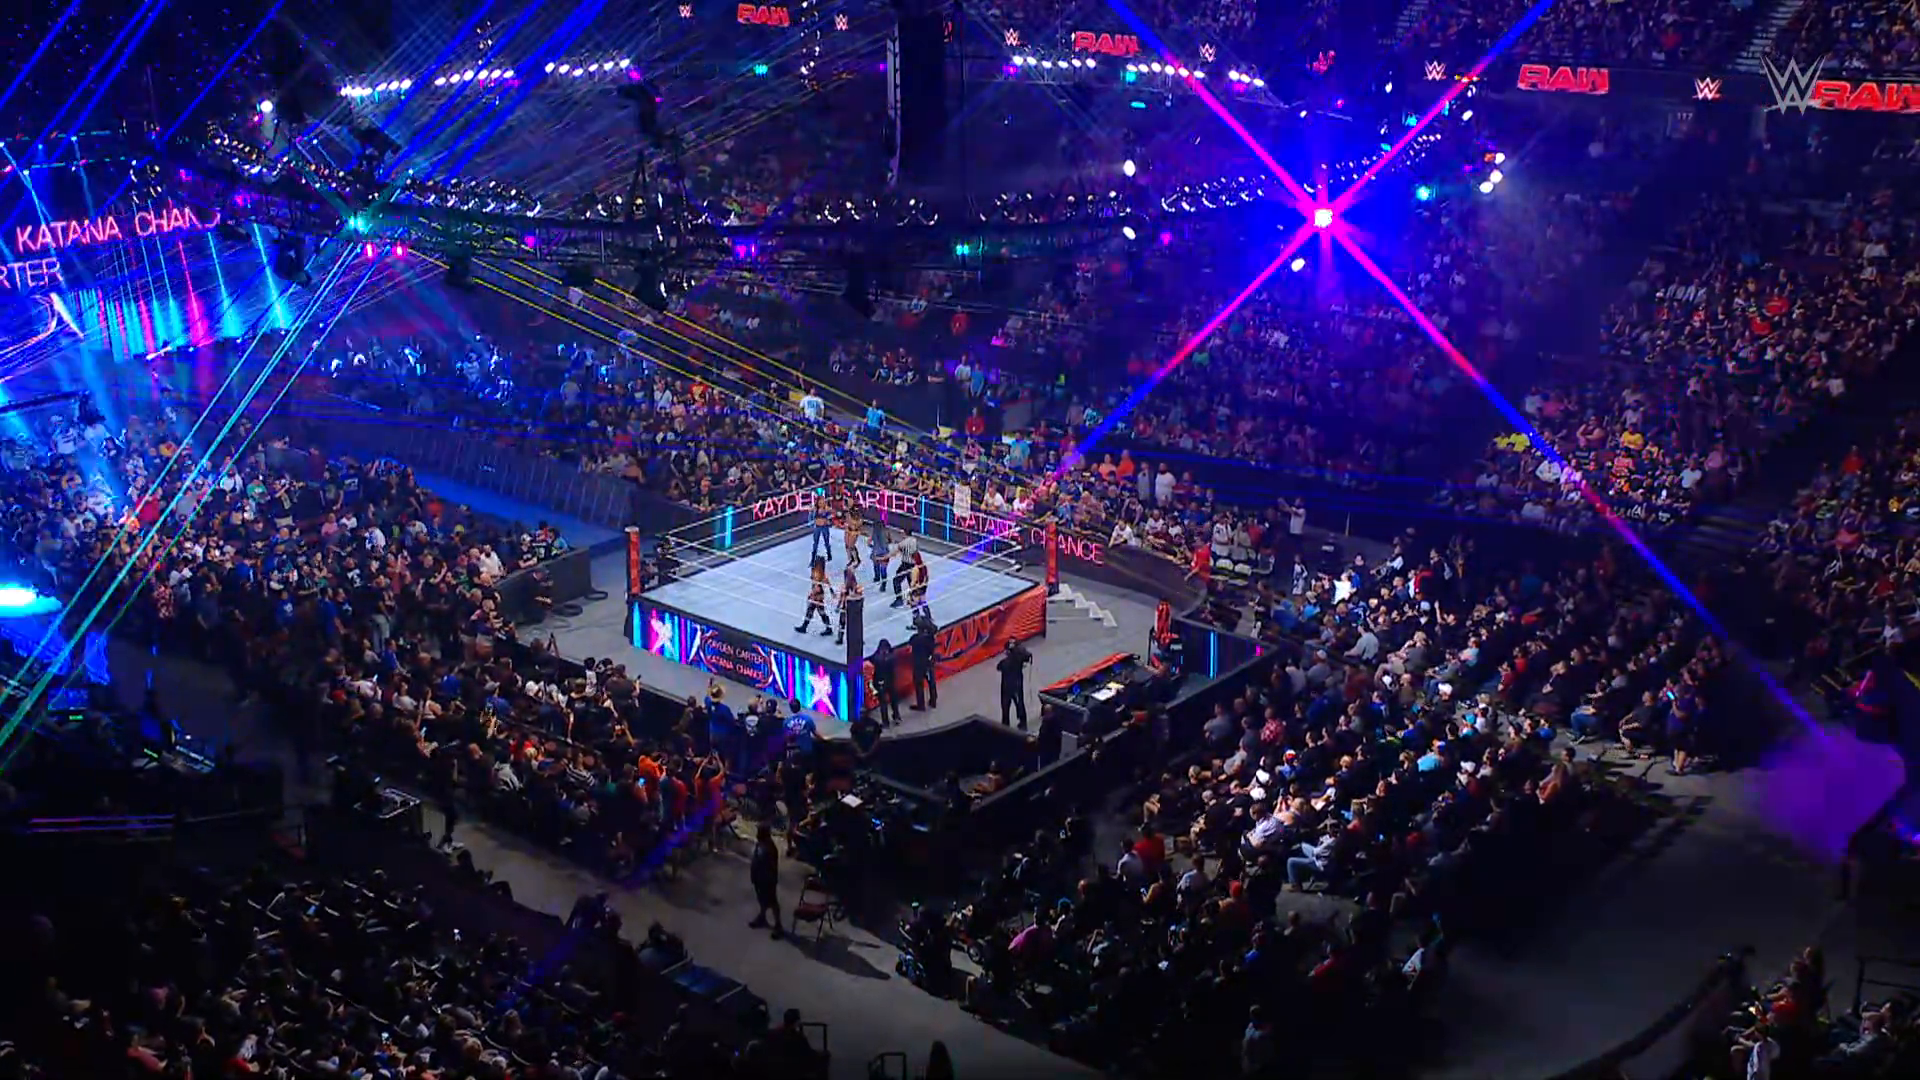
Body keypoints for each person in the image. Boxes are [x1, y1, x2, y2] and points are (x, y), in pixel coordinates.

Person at [749, 823, 785, 939]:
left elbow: (771, 867)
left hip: (767, 879)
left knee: (772, 901)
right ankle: (762, 917)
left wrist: (769, 879)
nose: (757, 834)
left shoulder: (770, 848)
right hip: (758, 878)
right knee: (761, 898)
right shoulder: (760, 844)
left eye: (759, 832)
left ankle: (778, 925)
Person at [997, 639, 1032, 730]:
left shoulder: (1005, 663)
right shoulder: (1019, 660)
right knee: (1020, 704)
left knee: (1005, 707)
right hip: (1017, 685)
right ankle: (1023, 723)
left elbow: (998, 667)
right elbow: (1027, 656)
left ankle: (1005, 725)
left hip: (1007, 688)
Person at [795, 556, 834, 637]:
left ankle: (828, 628)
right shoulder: (820, 572)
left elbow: (817, 585)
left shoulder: (817, 572)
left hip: (817, 594)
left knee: (819, 611)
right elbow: (826, 581)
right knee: (812, 610)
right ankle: (805, 627)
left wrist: (812, 594)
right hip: (817, 594)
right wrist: (831, 591)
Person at [871, 638, 902, 726]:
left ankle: (885, 722)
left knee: (883, 703)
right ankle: (896, 717)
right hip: (891, 681)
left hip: (881, 683)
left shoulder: (877, 658)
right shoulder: (892, 657)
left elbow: (873, 660)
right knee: (893, 700)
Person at [910, 616, 939, 710]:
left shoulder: (914, 639)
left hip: (919, 665)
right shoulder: (930, 638)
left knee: (919, 684)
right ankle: (933, 701)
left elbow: (911, 644)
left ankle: (921, 705)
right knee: (931, 682)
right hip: (928, 662)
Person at [836, 559, 863, 645]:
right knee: (842, 622)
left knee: (855, 624)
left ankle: (858, 638)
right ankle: (840, 638)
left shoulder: (856, 587)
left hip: (854, 606)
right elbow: (842, 596)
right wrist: (838, 606)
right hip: (846, 606)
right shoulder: (845, 587)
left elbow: (860, 597)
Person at [890, 525, 919, 605]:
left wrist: (884, 557)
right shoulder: (914, 540)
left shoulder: (903, 543)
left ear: (905, 533)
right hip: (913, 564)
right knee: (911, 582)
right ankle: (913, 599)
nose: (900, 534)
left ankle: (899, 600)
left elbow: (894, 552)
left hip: (906, 564)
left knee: (896, 580)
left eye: (902, 532)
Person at [907, 552, 931, 620]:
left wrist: (910, 590)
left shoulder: (915, 569)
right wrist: (923, 584)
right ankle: (928, 618)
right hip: (923, 587)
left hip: (916, 588)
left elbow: (913, 582)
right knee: (923, 602)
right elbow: (927, 577)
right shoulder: (924, 565)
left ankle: (916, 621)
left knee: (913, 604)